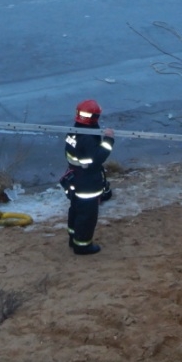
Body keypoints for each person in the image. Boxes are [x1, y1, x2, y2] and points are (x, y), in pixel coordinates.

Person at [62, 99, 115, 255]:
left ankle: (73, 238)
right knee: (87, 215)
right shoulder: (87, 136)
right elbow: (95, 159)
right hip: (87, 182)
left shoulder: (75, 130)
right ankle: (82, 245)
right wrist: (109, 140)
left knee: (76, 210)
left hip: (75, 177)